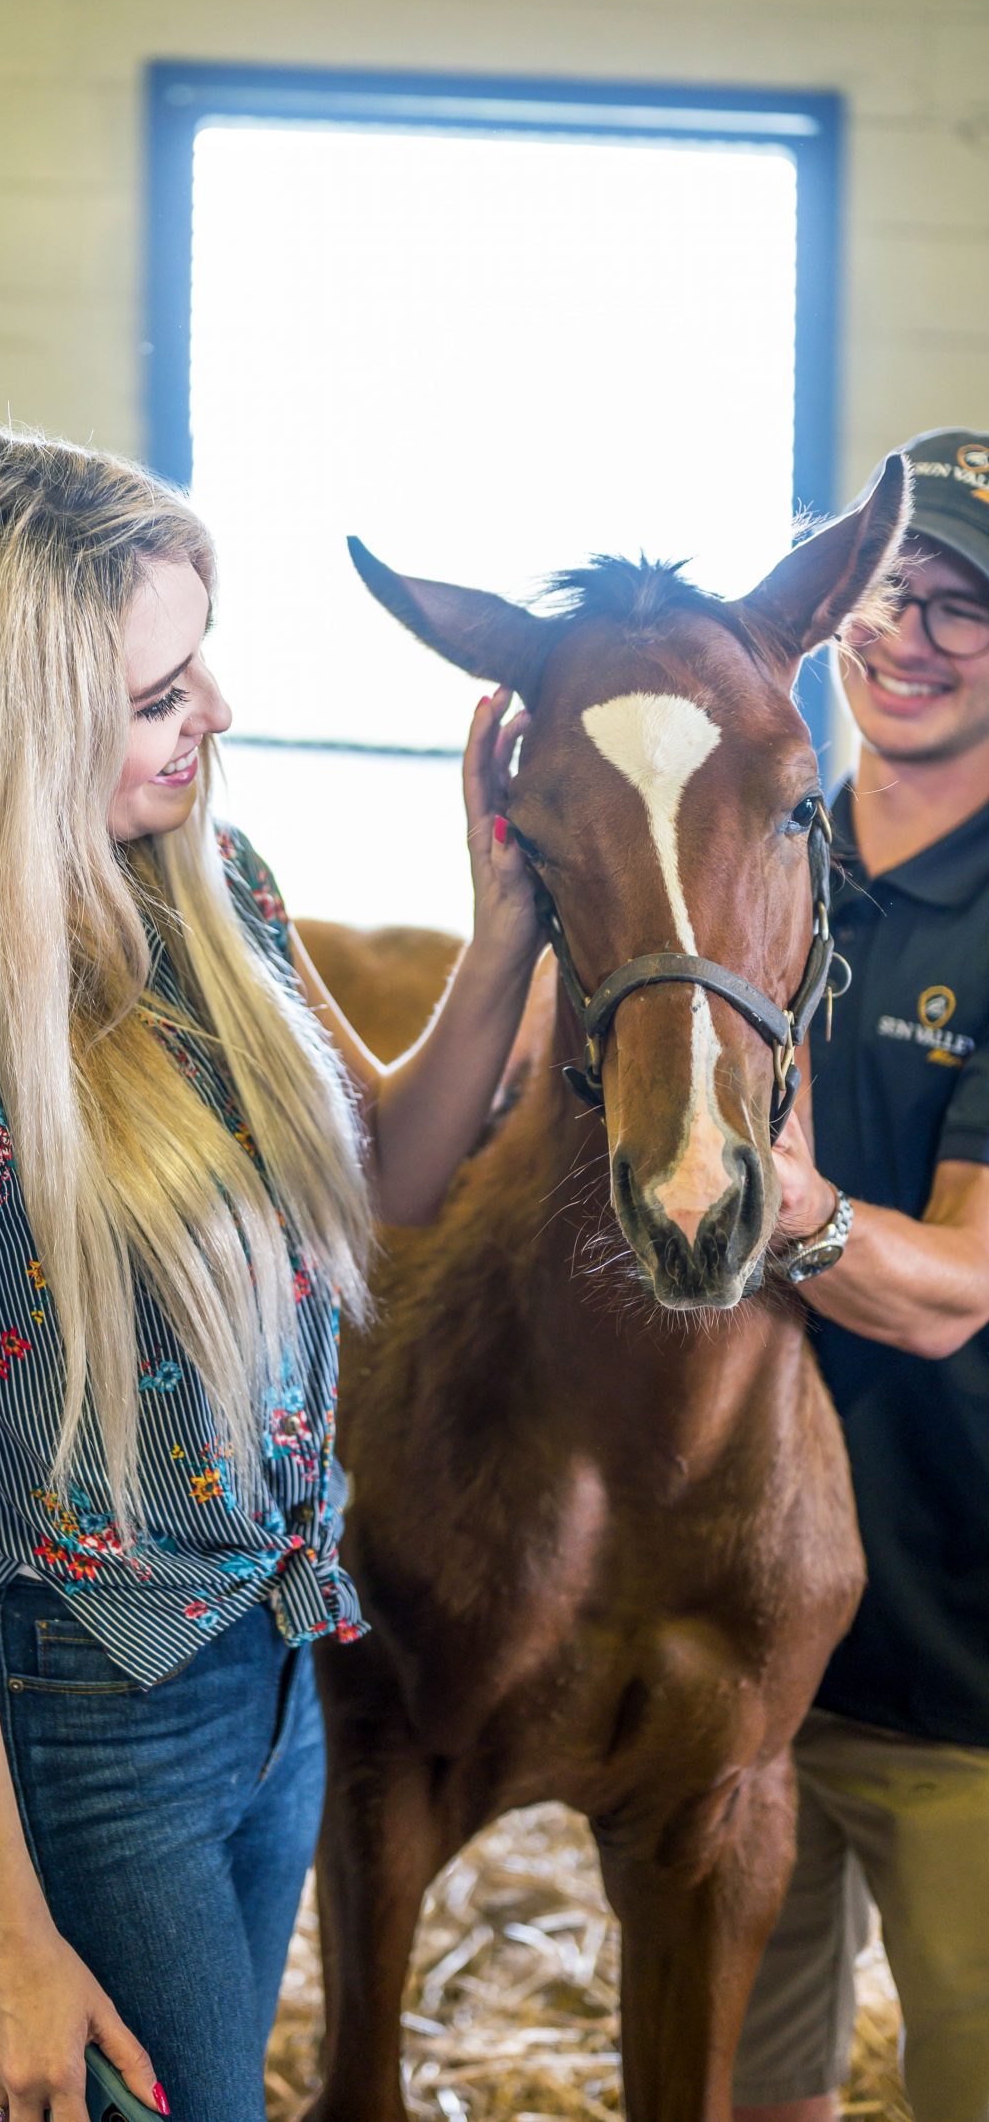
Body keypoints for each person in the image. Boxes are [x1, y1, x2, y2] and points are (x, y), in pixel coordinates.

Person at [0, 426, 540, 2122]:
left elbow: (390, 1176)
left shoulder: (213, 898)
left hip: (271, 1665)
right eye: (161, 692)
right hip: (78, 1717)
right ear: (0, 734)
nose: (222, 714)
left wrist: (501, 933)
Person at [734, 430, 989, 2122]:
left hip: (964, 1662)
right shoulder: (755, 865)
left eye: (962, 603)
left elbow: (956, 1283)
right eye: (890, 588)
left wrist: (781, 1204)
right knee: (745, 2093)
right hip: (745, 1657)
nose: (906, 633)